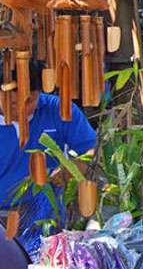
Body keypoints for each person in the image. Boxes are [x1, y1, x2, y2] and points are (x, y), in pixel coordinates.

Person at [0, 59, 96, 258]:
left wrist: (73, 167)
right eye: (14, 102)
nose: (23, 109)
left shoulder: (59, 109)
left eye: (30, 100)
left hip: (46, 223)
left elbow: (91, 150)